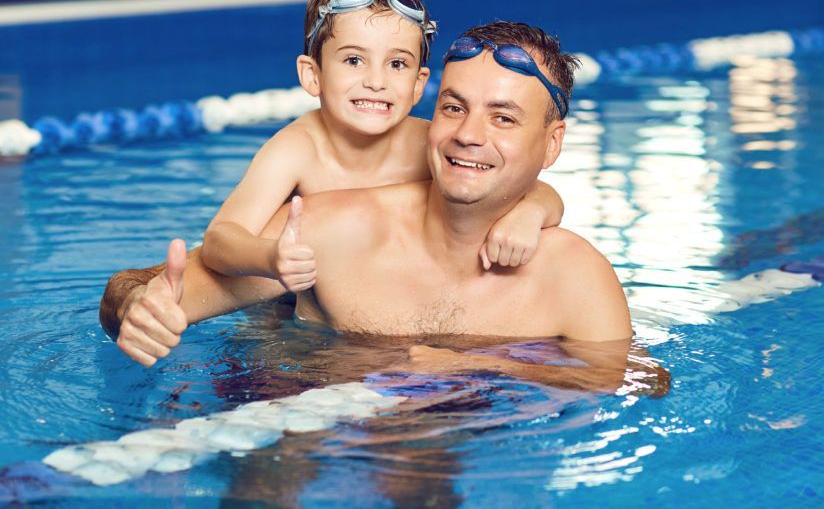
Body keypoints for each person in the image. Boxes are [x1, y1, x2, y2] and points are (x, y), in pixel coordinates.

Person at [100, 21, 634, 387]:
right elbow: (146, 289)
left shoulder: (575, 275)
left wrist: (483, 367)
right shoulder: (333, 228)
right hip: (293, 403)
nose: (468, 135)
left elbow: (639, 381)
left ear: (552, 144)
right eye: (453, 107)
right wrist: (136, 308)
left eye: (503, 118)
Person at [200, 0, 565, 294]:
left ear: (419, 84)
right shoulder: (297, 149)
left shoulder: (434, 145)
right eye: (354, 60)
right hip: (291, 310)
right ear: (313, 75)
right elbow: (219, 240)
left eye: (396, 64)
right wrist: (269, 257)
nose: (376, 82)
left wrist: (528, 215)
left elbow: (538, 190)